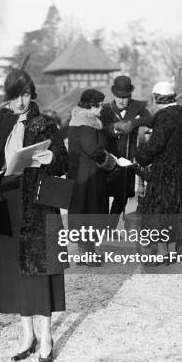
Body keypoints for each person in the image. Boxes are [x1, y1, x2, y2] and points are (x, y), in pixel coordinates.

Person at [0, 64, 68, 362]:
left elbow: (63, 160)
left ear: (31, 94)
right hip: (8, 204)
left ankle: (46, 337)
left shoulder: (44, 123)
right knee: (17, 273)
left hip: (36, 205)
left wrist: (52, 157)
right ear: (7, 97)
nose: (21, 102)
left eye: (25, 95)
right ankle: (27, 335)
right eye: (15, 96)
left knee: (40, 271)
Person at [135, 81, 182, 264]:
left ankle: (161, 254)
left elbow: (156, 144)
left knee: (159, 209)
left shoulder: (163, 116)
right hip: (179, 167)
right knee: (175, 208)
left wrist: (139, 154)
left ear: (156, 98)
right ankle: (173, 252)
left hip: (163, 169)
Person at [67, 89, 116, 261]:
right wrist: (111, 161)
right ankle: (87, 255)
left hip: (82, 175)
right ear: (91, 106)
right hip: (88, 177)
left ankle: (86, 253)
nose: (101, 109)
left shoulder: (79, 122)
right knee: (89, 214)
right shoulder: (86, 124)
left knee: (84, 214)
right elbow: (93, 149)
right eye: (99, 105)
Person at [101, 75, 153, 228]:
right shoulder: (106, 109)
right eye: (119, 97)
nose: (122, 100)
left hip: (128, 158)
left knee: (122, 195)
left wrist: (133, 122)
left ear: (130, 95)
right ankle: (101, 228)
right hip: (110, 158)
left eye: (126, 97)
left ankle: (110, 227)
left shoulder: (138, 106)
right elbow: (101, 128)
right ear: (114, 95)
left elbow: (150, 120)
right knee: (104, 193)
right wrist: (115, 127)